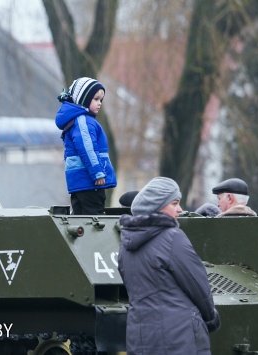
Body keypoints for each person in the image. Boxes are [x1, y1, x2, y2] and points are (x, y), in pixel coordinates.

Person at [118, 177, 221, 354]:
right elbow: (197, 285)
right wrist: (211, 318)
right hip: (180, 337)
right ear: (157, 206)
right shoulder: (173, 237)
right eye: (174, 203)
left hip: (140, 336)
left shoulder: (125, 245)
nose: (180, 209)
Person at [55, 77, 117, 215]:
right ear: (83, 99)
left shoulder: (77, 120)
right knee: (94, 218)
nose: (99, 103)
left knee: (80, 217)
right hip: (90, 181)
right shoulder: (84, 121)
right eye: (96, 99)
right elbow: (87, 148)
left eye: (101, 100)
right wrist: (97, 172)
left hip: (80, 182)